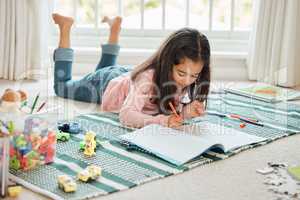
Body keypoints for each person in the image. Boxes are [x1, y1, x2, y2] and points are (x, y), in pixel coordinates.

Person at [52, 13, 211, 128]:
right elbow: (127, 115)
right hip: (106, 83)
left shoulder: (181, 76)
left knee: (103, 69)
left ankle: (115, 28)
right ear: (166, 62)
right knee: (62, 87)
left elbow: (166, 107)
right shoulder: (146, 81)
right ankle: (65, 27)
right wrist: (162, 121)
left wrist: (186, 111)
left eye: (194, 76)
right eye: (182, 74)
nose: (186, 81)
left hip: (126, 77)